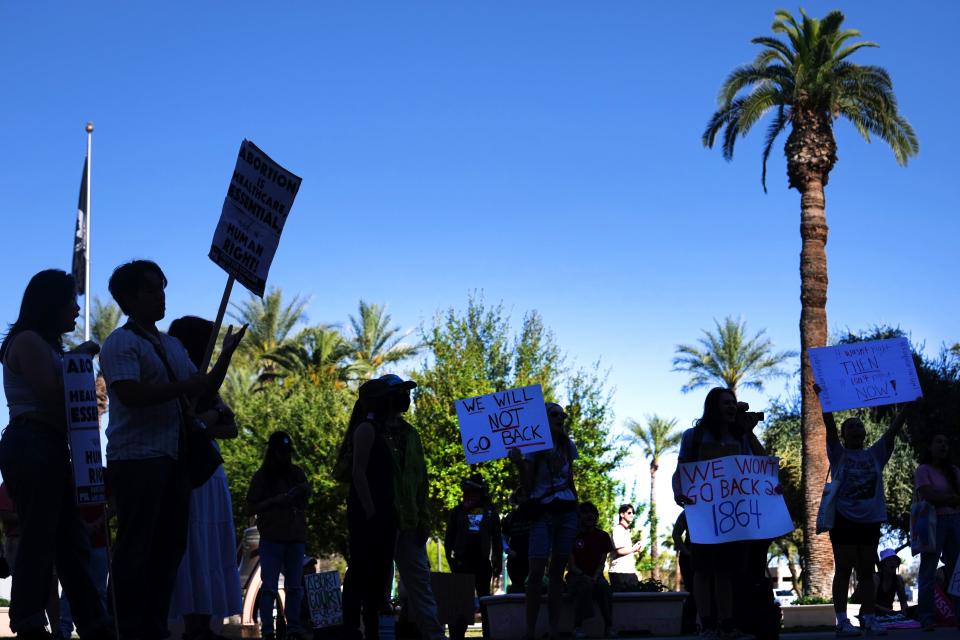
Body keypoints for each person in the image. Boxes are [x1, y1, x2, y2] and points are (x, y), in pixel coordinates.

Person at [101, 260, 244, 640]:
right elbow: (129, 394)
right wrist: (183, 387)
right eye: (151, 290)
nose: (160, 296)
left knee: (168, 550)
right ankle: (128, 628)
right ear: (129, 299)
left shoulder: (170, 344)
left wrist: (226, 354)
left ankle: (154, 626)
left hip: (173, 458)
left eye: (161, 288)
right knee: (137, 548)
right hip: (137, 459)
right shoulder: (121, 343)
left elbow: (201, 386)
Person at [0, 269, 113, 640]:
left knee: (70, 538)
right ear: (50, 304)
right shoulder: (28, 341)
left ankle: (92, 619)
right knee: (42, 533)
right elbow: (52, 397)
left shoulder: (43, 345)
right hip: (32, 443)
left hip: (46, 445)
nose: (77, 309)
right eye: (70, 301)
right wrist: (78, 360)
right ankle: (29, 619)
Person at [166, 317, 243, 640]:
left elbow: (231, 425)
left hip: (209, 470)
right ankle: (192, 622)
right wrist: (205, 421)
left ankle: (205, 621)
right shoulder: (177, 381)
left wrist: (204, 423)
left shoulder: (203, 386)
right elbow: (184, 424)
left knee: (210, 546)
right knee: (192, 544)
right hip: (188, 473)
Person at [671, 387, 765, 640]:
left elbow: (761, 462)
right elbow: (681, 469)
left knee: (724, 570)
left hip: (731, 515)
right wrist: (679, 493)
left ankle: (726, 624)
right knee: (702, 570)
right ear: (713, 407)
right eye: (726, 403)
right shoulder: (694, 436)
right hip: (702, 513)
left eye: (733, 403)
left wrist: (749, 432)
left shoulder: (740, 438)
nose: (732, 407)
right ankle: (707, 625)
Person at [814, 384, 908, 638]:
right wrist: (823, 397)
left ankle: (869, 617)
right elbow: (829, 426)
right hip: (844, 519)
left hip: (870, 520)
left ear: (865, 432)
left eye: (859, 425)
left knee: (867, 570)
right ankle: (842, 621)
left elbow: (892, 431)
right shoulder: (838, 453)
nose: (856, 428)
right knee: (844, 568)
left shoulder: (876, 454)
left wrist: (908, 405)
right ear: (844, 435)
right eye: (850, 426)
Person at [375, 374, 445, 640]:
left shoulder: (411, 435)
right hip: (382, 523)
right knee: (379, 587)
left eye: (408, 392)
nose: (407, 397)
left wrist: (424, 518)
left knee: (421, 585)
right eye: (401, 392)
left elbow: (421, 481)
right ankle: (379, 633)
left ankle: (434, 635)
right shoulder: (373, 432)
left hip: (411, 523)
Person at [508, 401, 579, 640]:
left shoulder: (568, 445)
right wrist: (519, 463)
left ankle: (554, 629)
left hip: (567, 511)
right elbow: (527, 487)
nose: (561, 418)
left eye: (563, 415)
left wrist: (576, 509)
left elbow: (570, 479)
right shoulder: (534, 445)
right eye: (555, 414)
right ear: (544, 419)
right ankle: (530, 631)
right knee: (536, 572)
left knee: (558, 572)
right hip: (542, 512)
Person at [339, 378, 398, 640]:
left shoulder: (380, 429)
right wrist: (372, 511)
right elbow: (359, 474)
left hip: (383, 512)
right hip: (368, 515)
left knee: (380, 573)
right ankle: (353, 628)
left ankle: (372, 627)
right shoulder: (366, 429)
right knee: (362, 570)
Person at [246, 432, 310, 640]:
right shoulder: (261, 477)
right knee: (269, 588)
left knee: (294, 587)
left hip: (294, 539)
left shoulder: (297, 474)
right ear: (272, 453)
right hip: (272, 539)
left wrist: (301, 493)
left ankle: (293, 628)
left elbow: (306, 502)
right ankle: (267, 630)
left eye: (287, 452)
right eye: (280, 453)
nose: (284, 457)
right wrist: (275, 501)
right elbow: (249, 507)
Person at [445, 474, 502, 639]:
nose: (469, 493)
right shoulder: (458, 511)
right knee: (461, 601)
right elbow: (449, 538)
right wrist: (451, 560)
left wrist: (497, 560)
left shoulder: (490, 511)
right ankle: (457, 635)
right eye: (467, 489)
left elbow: (497, 537)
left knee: (484, 599)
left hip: (482, 561)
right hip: (462, 561)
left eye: (473, 490)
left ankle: (488, 634)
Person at [915, 433, 960, 631]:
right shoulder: (923, 470)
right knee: (928, 569)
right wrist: (949, 498)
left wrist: (944, 498)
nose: (943, 446)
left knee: (957, 570)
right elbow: (927, 494)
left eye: (946, 443)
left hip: (955, 521)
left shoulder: (955, 471)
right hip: (931, 522)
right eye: (939, 442)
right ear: (930, 447)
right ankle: (926, 616)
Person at [566, 502, 614, 639]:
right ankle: (577, 627)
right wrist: (584, 576)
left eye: (592, 513)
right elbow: (571, 565)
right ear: (578, 516)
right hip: (576, 576)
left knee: (604, 587)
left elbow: (602, 563)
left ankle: (609, 627)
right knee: (585, 585)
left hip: (596, 576)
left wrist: (595, 577)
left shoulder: (603, 536)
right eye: (585, 512)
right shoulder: (571, 537)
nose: (590, 515)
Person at [672, 511, 698, 635]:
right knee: (693, 592)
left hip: (699, 553)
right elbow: (676, 534)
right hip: (691, 555)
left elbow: (676, 534)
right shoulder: (688, 512)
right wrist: (687, 552)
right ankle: (688, 627)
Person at [501, 488, 532, 594]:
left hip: (531, 558)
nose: (523, 498)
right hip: (515, 559)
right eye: (520, 496)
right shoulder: (510, 518)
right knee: (517, 589)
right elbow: (503, 537)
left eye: (525, 496)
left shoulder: (534, 516)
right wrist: (508, 550)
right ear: (516, 498)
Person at [608, 504, 644, 591]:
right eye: (629, 513)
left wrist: (636, 549)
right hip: (619, 572)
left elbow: (625, 551)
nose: (632, 515)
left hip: (628, 572)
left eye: (633, 513)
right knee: (622, 601)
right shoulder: (618, 529)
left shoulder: (626, 530)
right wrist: (634, 548)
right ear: (622, 514)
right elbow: (620, 551)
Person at [873, 549, 909, 617]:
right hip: (872, 616)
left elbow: (903, 602)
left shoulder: (898, 579)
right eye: (889, 560)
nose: (892, 562)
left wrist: (906, 614)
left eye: (895, 560)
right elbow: (870, 604)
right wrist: (890, 612)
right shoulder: (876, 578)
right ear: (883, 564)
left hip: (888, 616)